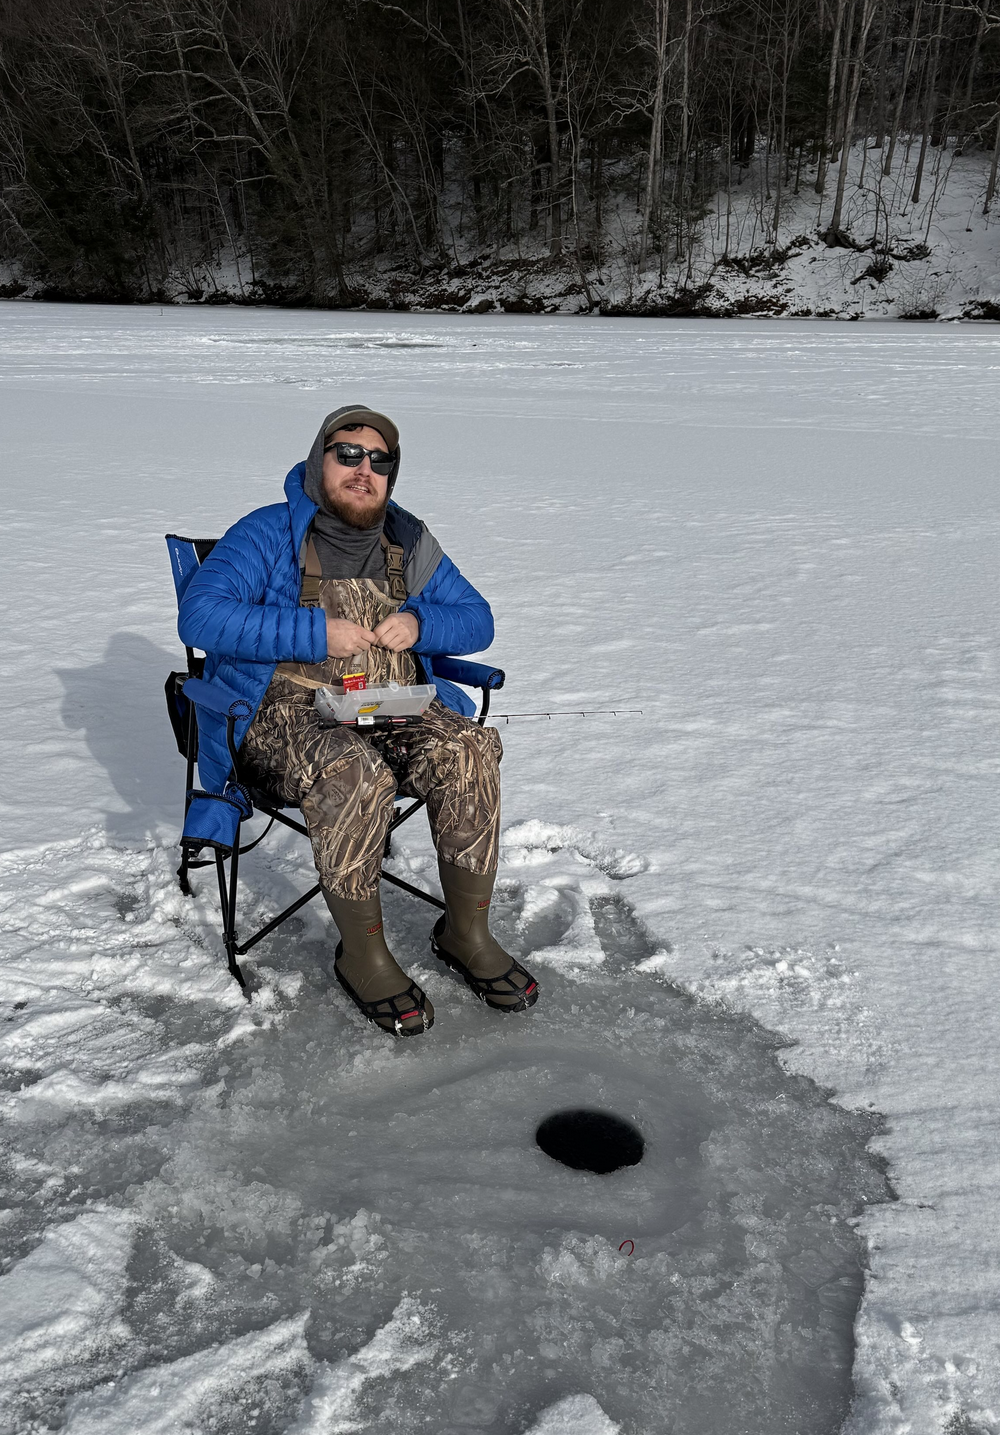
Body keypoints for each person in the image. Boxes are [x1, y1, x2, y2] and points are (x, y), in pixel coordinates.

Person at [178, 404, 538, 1036]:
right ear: (319, 459)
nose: (363, 469)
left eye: (380, 460)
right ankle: (363, 954)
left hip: (387, 707)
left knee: (471, 748)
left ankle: (465, 933)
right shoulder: (267, 533)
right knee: (353, 770)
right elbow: (201, 616)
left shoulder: (409, 541)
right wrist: (313, 630)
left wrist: (425, 624)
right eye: (347, 453)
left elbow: (478, 619)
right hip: (285, 718)